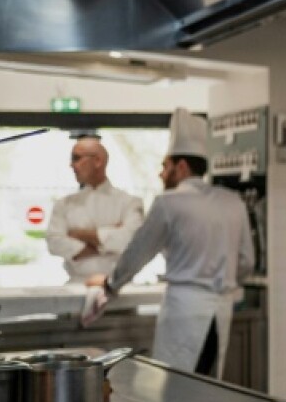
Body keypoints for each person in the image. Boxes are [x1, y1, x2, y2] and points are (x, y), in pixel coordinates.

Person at [85, 110, 253, 378]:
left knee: (176, 388)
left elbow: (137, 254)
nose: (161, 173)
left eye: (165, 166)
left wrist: (110, 285)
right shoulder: (233, 201)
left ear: (182, 166)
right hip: (221, 312)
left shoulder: (169, 203)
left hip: (184, 310)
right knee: (210, 387)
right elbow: (247, 262)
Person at [45, 136, 144, 283]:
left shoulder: (130, 202)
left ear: (98, 161)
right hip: (76, 287)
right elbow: (54, 243)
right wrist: (109, 239)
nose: (71, 165)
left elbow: (130, 241)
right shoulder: (64, 204)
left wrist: (79, 234)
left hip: (119, 288)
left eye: (76, 158)